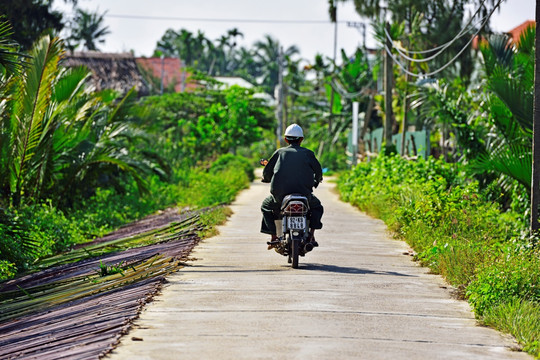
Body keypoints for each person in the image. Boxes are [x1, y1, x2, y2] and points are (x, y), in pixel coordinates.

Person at [261, 123, 324, 249]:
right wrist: (316, 181)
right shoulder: (308, 154)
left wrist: (266, 179)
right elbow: (318, 171)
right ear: (301, 139)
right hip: (305, 196)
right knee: (317, 207)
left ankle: (273, 237)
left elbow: (267, 172)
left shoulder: (279, 153)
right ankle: (311, 234)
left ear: (285, 139)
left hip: (280, 197)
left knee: (266, 207)